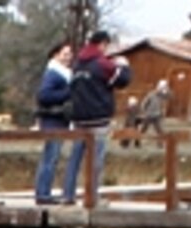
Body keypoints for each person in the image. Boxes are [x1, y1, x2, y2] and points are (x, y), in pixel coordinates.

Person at [60, 32, 126, 206]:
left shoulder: (77, 65)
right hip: (98, 119)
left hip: (79, 119)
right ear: (102, 44)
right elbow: (122, 80)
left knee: (74, 158)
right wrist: (124, 66)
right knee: (96, 160)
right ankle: (92, 197)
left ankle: (68, 194)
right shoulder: (102, 64)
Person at [30, 40, 76, 208]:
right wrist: (68, 93)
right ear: (56, 55)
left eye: (70, 54)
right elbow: (44, 96)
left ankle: (44, 192)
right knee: (50, 157)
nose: (68, 57)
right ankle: (43, 193)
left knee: (51, 157)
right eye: (65, 54)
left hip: (58, 120)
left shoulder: (62, 73)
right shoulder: (54, 74)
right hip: (53, 121)